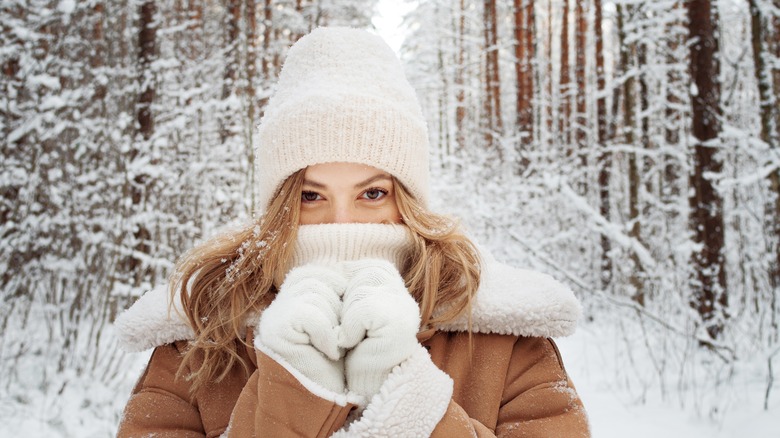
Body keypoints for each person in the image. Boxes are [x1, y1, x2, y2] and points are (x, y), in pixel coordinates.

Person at [115, 27, 589, 437]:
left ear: (408, 200)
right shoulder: (201, 342)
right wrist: (292, 389)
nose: (342, 223)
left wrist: (406, 398)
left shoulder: (501, 338)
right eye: (310, 196)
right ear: (278, 206)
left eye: (373, 193)